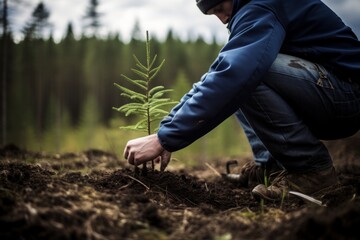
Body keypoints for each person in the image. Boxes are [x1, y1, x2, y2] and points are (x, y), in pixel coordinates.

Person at [123, 0, 360, 202]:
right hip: (329, 92)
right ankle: (271, 165)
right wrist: (166, 130)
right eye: (213, 13)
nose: (223, 18)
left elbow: (234, 74)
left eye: (221, 7)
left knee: (245, 74)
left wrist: (165, 139)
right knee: (234, 75)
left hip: (347, 95)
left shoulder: (261, 6)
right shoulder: (252, 7)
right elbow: (217, 75)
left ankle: (312, 173)